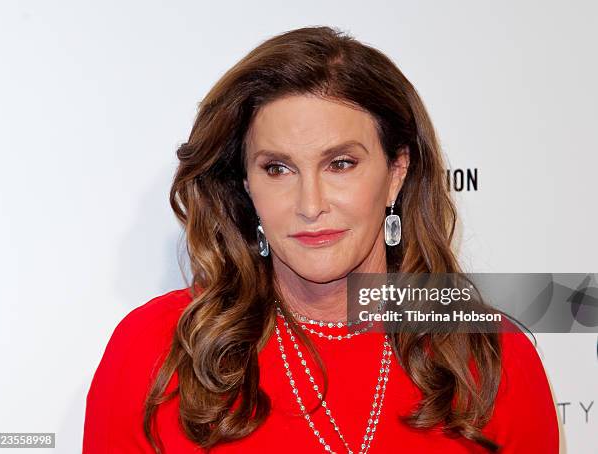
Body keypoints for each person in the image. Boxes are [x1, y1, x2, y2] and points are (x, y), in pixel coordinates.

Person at [83, 26, 559, 453]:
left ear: (396, 172)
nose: (310, 204)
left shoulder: (490, 354)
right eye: (277, 168)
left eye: (341, 164)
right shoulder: (155, 351)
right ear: (246, 185)